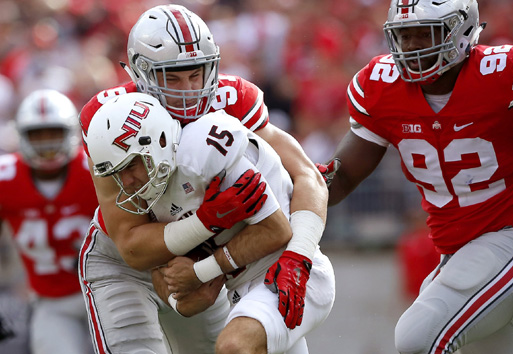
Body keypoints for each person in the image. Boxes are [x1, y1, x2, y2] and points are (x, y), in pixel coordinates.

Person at [317, 0, 513, 353]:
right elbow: (343, 177)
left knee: (417, 337)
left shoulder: (501, 74)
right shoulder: (381, 87)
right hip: (459, 253)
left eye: (424, 34)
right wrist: (299, 187)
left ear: (461, 30)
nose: (412, 47)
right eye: (405, 36)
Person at [78, 4, 327, 335]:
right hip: (128, 255)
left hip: (200, 254)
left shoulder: (232, 98)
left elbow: (307, 176)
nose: (188, 90)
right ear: (141, 73)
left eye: (196, 73)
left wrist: (299, 256)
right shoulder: (110, 117)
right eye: (172, 77)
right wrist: (207, 225)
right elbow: (133, 244)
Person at [86, 92, 335, 354]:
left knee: (233, 347)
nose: (127, 182)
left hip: (287, 273)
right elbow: (174, 286)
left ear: (158, 141)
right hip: (242, 292)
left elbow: (276, 230)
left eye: (131, 165)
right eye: (118, 173)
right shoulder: (151, 193)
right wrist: (181, 294)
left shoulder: (203, 149)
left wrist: (201, 271)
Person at [0, 89, 97, 354]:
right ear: (22, 135)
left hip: (109, 289)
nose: (46, 143)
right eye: (38, 134)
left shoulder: (96, 171)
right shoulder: (6, 178)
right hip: (51, 300)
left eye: (53, 133)